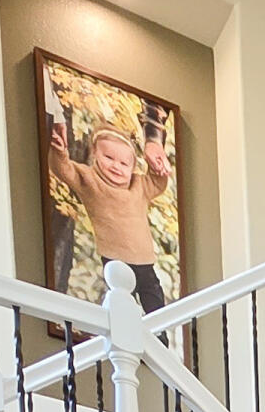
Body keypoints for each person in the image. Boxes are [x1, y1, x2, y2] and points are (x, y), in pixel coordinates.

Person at [47, 105, 174, 309]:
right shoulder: (90, 180)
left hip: (145, 261)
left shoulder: (139, 185)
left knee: (154, 301)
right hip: (115, 260)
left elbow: (158, 183)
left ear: (132, 167)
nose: (116, 166)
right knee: (123, 303)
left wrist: (158, 167)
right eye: (109, 158)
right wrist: (60, 152)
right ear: (95, 155)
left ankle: (161, 337)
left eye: (124, 163)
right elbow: (64, 170)